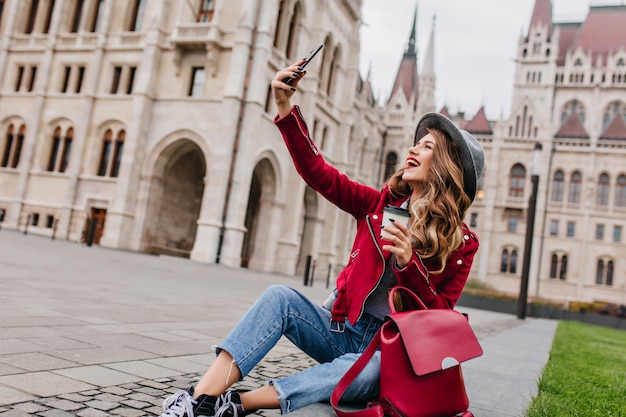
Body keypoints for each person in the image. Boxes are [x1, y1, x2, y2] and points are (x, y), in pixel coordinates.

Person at [159, 59, 485, 417]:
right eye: (416, 143)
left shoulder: (462, 244)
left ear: (445, 168)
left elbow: (439, 317)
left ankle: (239, 404)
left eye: (426, 147)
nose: (411, 150)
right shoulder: (379, 204)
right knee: (279, 297)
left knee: (373, 370)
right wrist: (285, 108)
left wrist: (409, 266)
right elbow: (320, 174)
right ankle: (197, 400)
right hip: (344, 331)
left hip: (390, 353)